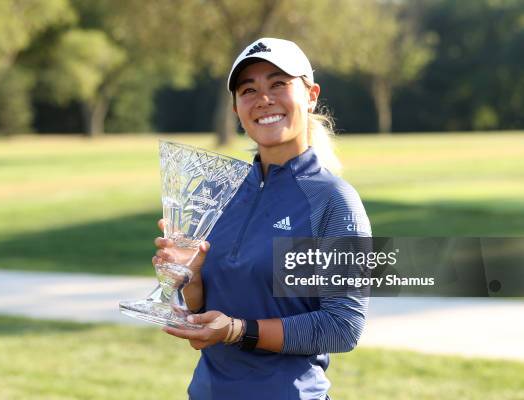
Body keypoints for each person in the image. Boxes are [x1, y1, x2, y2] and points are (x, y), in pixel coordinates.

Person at [153, 37, 372, 400]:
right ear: (237, 109)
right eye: (248, 89)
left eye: (278, 84)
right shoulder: (218, 193)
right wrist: (188, 278)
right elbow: (203, 315)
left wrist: (239, 330)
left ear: (311, 94)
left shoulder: (333, 200)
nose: (264, 99)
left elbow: (343, 326)